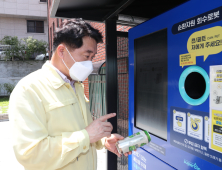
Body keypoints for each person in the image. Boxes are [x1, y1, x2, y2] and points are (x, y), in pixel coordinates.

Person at [9, 19, 132, 170]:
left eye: (92, 58)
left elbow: (82, 129)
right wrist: (86, 136)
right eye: (86, 56)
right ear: (61, 51)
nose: (89, 63)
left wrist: (103, 140)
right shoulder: (29, 89)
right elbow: (30, 154)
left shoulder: (76, 86)